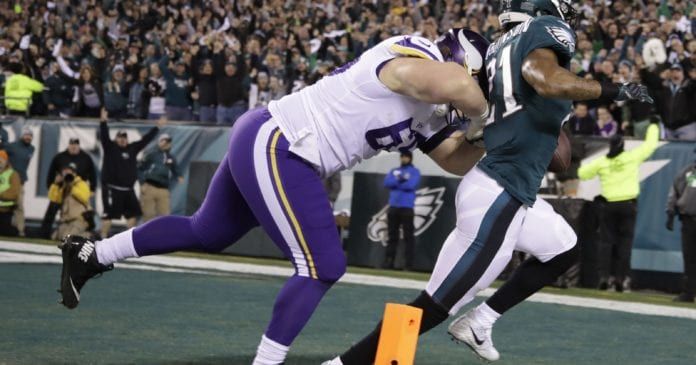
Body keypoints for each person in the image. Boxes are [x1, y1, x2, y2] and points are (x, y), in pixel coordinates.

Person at [58, 30, 493, 365]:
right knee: (322, 266)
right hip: (282, 144)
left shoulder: (432, 107)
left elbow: (455, 159)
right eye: (477, 79)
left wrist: (496, 140)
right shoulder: (418, 56)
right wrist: (493, 108)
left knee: (207, 231)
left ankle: (92, 254)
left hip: (274, 141)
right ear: (462, 63)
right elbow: (447, 84)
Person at [327, 1, 653, 363]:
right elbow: (543, 79)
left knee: (562, 249)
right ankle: (343, 363)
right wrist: (615, 91)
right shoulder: (542, 28)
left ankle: (482, 320)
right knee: (435, 305)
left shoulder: (498, 47)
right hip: (501, 193)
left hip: (502, 185)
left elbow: (540, 127)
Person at [578, 123, 660, 292]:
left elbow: (582, 174)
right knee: (625, 244)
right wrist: (653, 125)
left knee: (606, 243)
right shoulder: (631, 157)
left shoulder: (602, 162)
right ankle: (620, 279)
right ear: (623, 145)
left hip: (609, 205)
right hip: (628, 205)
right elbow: (651, 144)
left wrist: (601, 170)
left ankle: (603, 277)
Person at [99, 109, 163, 238]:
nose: (122, 140)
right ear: (116, 139)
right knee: (108, 215)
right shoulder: (110, 147)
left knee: (132, 215)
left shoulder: (132, 148)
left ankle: (129, 241)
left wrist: (157, 127)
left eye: (124, 138)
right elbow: (104, 135)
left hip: (128, 190)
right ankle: (102, 238)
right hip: (112, 189)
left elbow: (145, 140)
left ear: (127, 140)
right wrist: (103, 121)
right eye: (120, 137)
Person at [41, 138, 97, 238]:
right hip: (64, 191)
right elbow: (53, 196)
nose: (74, 146)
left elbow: (92, 175)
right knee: (56, 232)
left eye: (76, 144)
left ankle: (89, 234)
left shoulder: (81, 181)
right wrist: (55, 185)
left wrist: (92, 188)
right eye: (72, 144)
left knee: (70, 236)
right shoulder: (60, 157)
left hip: (77, 203)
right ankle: (43, 235)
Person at [666, 148, 696, 303]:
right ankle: (688, 292)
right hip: (689, 220)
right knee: (690, 258)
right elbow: (675, 190)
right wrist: (670, 212)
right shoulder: (689, 173)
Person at [382, 150, 420, 270]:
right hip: (393, 206)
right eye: (402, 156)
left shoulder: (414, 171)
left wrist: (397, 181)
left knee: (408, 237)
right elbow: (387, 183)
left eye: (406, 157)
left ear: (410, 158)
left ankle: (408, 264)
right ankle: (389, 262)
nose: (403, 159)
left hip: (407, 207)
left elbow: (411, 185)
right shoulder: (394, 170)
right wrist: (401, 179)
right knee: (392, 236)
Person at [139, 133, 183, 222]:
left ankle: (162, 235)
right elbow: (140, 168)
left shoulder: (171, 157)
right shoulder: (152, 154)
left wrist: (179, 175)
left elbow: (176, 169)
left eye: (168, 142)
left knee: (164, 216)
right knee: (148, 215)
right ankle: (148, 235)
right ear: (159, 142)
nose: (166, 143)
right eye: (164, 141)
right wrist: (142, 183)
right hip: (150, 187)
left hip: (163, 189)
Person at [48, 163, 92, 239]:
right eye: (64, 172)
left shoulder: (81, 183)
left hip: (79, 219)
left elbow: (85, 198)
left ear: (74, 173)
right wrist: (56, 184)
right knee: (55, 237)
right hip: (66, 221)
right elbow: (54, 199)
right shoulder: (63, 187)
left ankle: (89, 236)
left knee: (67, 238)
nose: (66, 174)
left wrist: (72, 187)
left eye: (69, 172)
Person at [6, 128, 35, 237]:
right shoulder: (12, 146)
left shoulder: (31, 148)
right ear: (22, 136)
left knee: (19, 206)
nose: (28, 137)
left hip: (20, 182)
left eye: (30, 135)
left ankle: (20, 230)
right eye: (26, 135)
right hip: (7, 182)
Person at [0, 150, 21, 236]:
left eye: (1, 160)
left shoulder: (13, 174)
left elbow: (14, 193)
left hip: (6, 210)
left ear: (6, 161)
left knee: (6, 232)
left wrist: (1, 195)